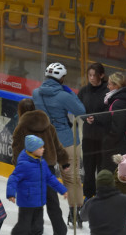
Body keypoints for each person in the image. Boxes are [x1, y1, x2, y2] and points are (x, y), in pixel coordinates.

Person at [32, 62, 86, 226]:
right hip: (65, 140)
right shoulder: (64, 95)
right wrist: (71, 93)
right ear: (61, 78)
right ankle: (75, 213)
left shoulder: (36, 93)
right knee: (71, 178)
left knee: (47, 178)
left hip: (46, 140)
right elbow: (81, 111)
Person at [12, 97, 70, 235]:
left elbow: (17, 149)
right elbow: (57, 146)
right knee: (53, 202)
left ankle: (28, 234)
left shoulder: (21, 128)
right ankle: (61, 232)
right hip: (48, 169)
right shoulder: (48, 126)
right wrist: (64, 162)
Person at [4, 135, 67, 235]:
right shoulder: (24, 164)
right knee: (24, 226)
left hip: (39, 201)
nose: (43, 149)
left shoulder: (41, 162)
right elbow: (13, 179)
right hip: (27, 202)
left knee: (38, 226)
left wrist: (62, 190)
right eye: (40, 147)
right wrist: (11, 193)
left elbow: (50, 178)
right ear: (32, 149)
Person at [78, 63, 109, 199]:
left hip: (103, 138)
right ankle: (88, 197)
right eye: (89, 75)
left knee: (102, 170)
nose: (91, 78)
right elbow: (78, 109)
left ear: (101, 75)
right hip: (89, 137)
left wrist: (96, 118)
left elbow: (111, 112)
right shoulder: (84, 91)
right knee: (89, 169)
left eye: (94, 75)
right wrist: (85, 118)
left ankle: (101, 197)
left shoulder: (108, 91)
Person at [101, 72, 126, 170]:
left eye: (109, 84)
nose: (108, 86)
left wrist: (106, 141)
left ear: (116, 86)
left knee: (115, 176)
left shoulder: (119, 103)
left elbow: (118, 128)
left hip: (119, 147)